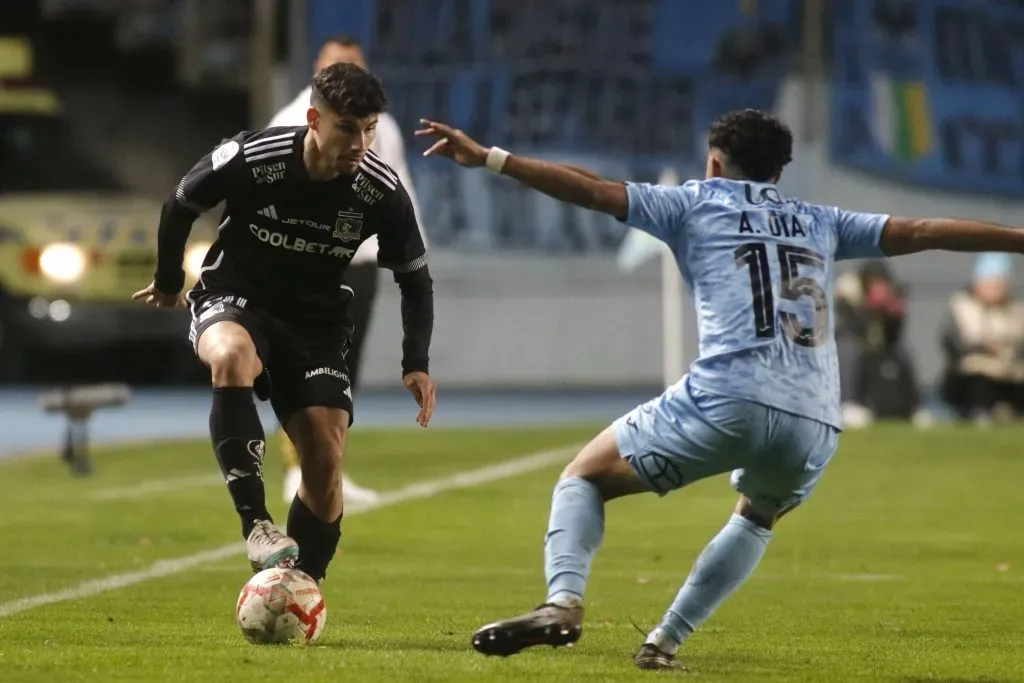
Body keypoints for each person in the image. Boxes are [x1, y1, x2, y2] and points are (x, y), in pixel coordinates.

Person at [415, 109, 1024, 670]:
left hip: (729, 395)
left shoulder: (693, 204)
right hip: (816, 416)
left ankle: (563, 602)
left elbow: (593, 190)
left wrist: (492, 158)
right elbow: (923, 229)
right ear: (779, 172)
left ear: (713, 161)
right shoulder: (822, 221)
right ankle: (664, 641)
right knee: (757, 517)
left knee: (584, 477)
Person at [132, 63, 436, 585]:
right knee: (231, 357)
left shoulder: (380, 190)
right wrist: (166, 281)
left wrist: (416, 364)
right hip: (236, 295)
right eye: (347, 128)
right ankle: (258, 525)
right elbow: (180, 204)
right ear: (314, 119)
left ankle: (301, 588)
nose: (361, 142)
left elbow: (414, 276)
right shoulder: (254, 156)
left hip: (315, 322)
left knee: (325, 458)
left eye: (370, 128)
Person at [269, 34, 426, 506]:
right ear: (318, 68)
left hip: (360, 260)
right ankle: (296, 467)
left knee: (342, 368)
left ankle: (330, 468)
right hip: (308, 260)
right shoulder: (291, 120)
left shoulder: (384, 127)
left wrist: (411, 255)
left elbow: (399, 191)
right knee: (299, 365)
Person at [940, 252, 1024, 424]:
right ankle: (980, 413)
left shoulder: (1016, 310)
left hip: (1010, 372)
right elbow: (954, 343)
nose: (996, 288)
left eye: (1000, 282)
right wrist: (985, 347)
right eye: (990, 282)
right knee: (978, 380)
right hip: (974, 373)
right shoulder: (961, 306)